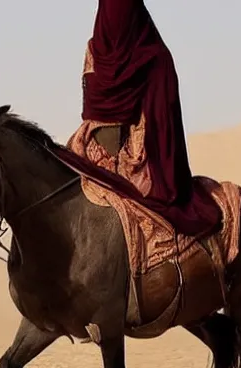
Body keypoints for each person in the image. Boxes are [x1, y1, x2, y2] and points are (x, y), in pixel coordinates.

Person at [67, 0, 221, 237]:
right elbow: (90, 110)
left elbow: (163, 121)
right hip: (95, 146)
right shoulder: (96, 51)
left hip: (143, 156)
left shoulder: (155, 58)